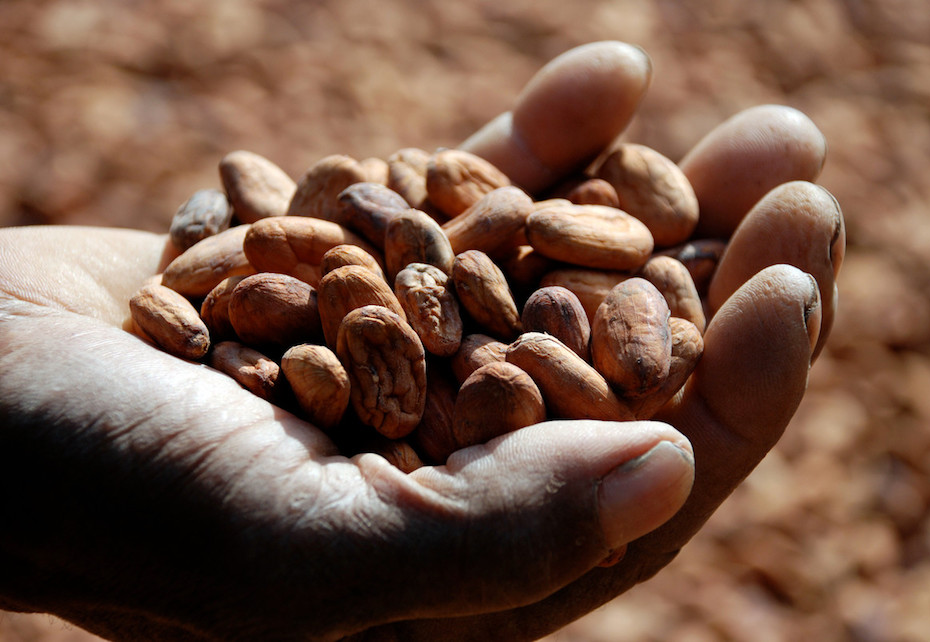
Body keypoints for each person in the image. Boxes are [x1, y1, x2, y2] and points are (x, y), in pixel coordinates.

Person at [0, 41, 843, 641]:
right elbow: (332, 277)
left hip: (440, 325)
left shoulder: (513, 288)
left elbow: (514, 257)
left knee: (535, 241)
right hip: (371, 333)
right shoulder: (338, 293)